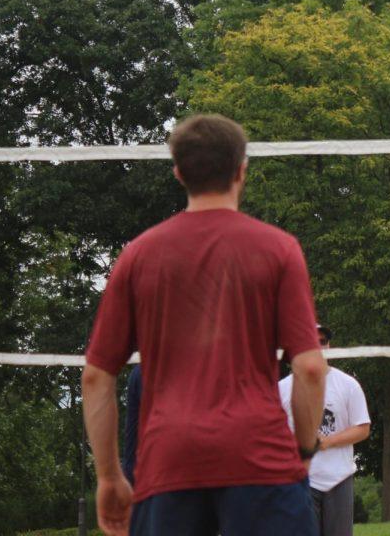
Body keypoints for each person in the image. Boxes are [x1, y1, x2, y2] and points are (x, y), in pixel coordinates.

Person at [82, 114, 329, 536]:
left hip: (168, 460)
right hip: (260, 455)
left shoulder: (137, 256)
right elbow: (309, 368)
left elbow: (96, 377)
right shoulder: (278, 249)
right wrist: (305, 449)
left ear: (178, 173)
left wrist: (108, 477)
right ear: (242, 169)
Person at [279, 324, 372, 536]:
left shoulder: (348, 385)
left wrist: (324, 443)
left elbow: (362, 428)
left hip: (339, 479)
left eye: (323, 342)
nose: (319, 347)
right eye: (312, 342)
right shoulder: (283, 389)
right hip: (301, 480)